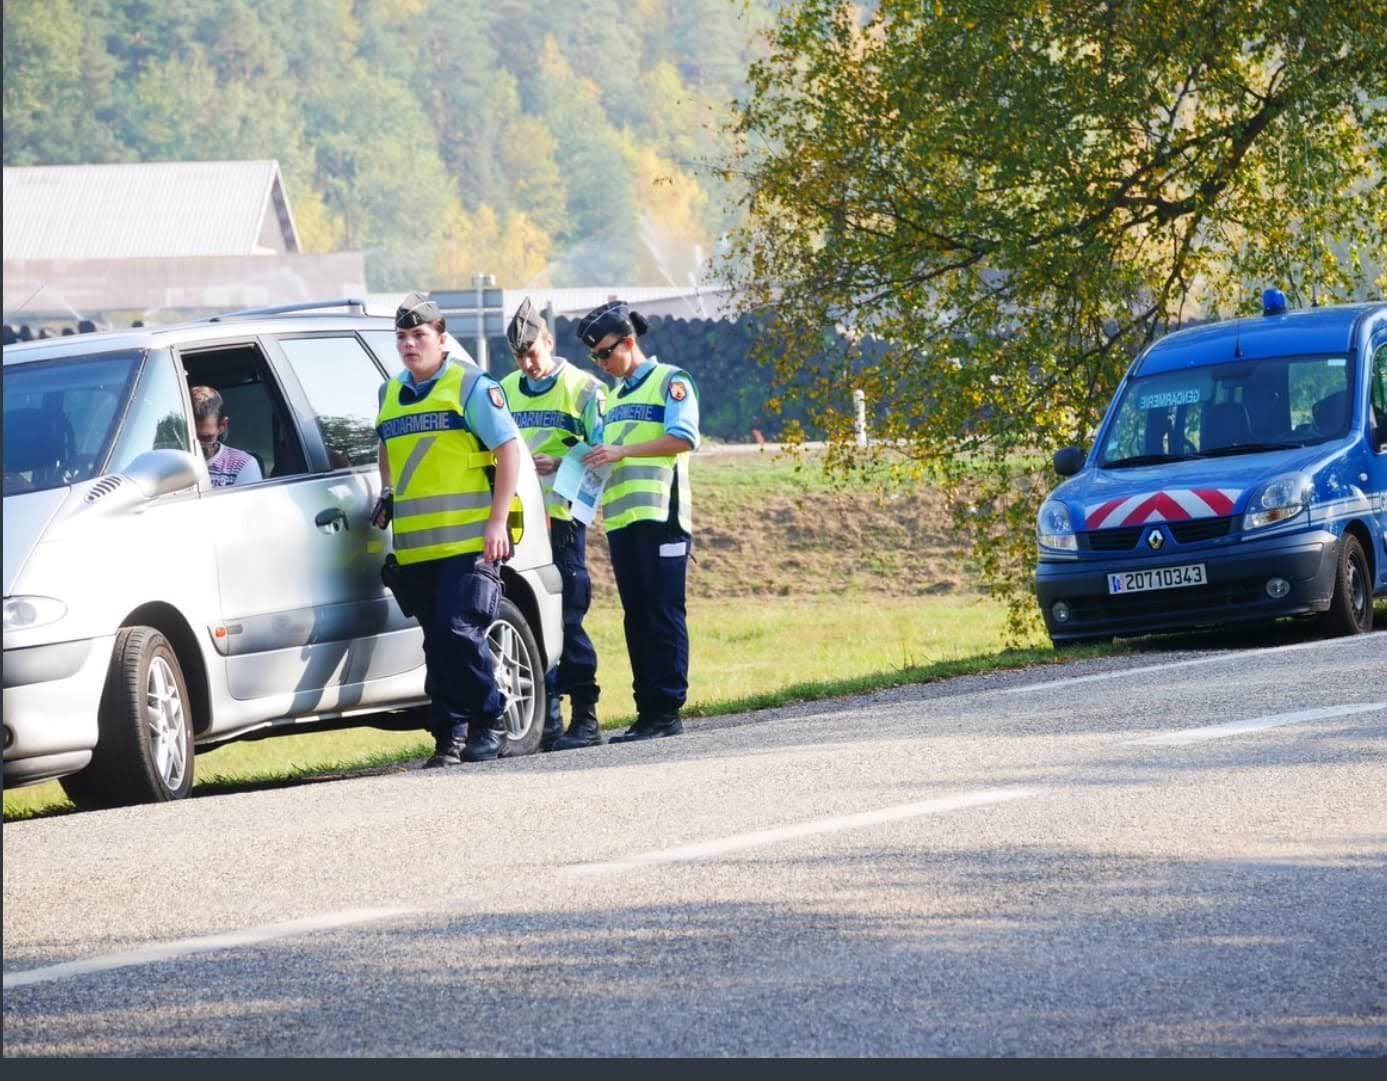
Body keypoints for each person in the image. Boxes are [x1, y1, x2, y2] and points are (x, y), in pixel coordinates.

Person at [372, 293, 523, 768]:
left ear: (442, 339)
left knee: (460, 632)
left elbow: (509, 449)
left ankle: (489, 721)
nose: (409, 344)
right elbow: (386, 444)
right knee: (437, 643)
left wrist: (497, 522)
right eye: (402, 337)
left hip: (469, 541)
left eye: (419, 335)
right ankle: (449, 736)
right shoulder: (389, 392)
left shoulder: (471, 385)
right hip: (418, 548)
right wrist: (387, 490)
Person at [577, 300, 700, 742]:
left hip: (661, 516)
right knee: (637, 616)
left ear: (628, 342)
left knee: (663, 612)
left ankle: (666, 709)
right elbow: (605, 452)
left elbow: (684, 437)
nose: (601, 363)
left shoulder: (671, 381)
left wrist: (623, 452)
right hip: (623, 520)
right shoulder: (614, 397)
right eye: (595, 357)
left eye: (605, 353)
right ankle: (647, 710)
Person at [500, 298, 606, 751]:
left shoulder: (584, 389)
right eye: (519, 357)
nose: (527, 364)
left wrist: (561, 464)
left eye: (532, 353)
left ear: (548, 340)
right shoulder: (505, 389)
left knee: (568, 617)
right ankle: (548, 719)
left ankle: (586, 716)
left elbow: (605, 455)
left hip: (563, 520)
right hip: (518, 521)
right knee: (531, 618)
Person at [189, 385, 263, 487]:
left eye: (206, 438)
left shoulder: (242, 466)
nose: (197, 445)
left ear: (223, 426)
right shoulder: (170, 462)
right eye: (189, 438)